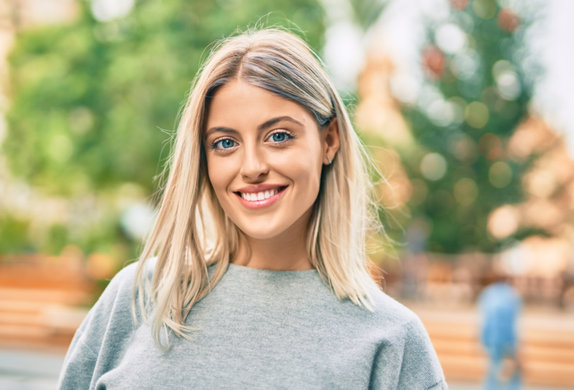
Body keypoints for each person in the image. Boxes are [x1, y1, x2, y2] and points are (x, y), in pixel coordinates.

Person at [57, 28, 447, 389]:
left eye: (278, 136)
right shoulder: (137, 297)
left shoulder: (392, 340)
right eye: (225, 143)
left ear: (329, 140)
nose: (253, 167)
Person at [478, 273, 522, 390]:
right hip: (509, 339)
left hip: (491, 339)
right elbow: (517, 322)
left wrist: (480, 340)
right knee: (514, 373)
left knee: (492, 370)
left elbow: (482, 319)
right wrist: (519, 344)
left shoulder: (488, 293)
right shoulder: (512, 294)